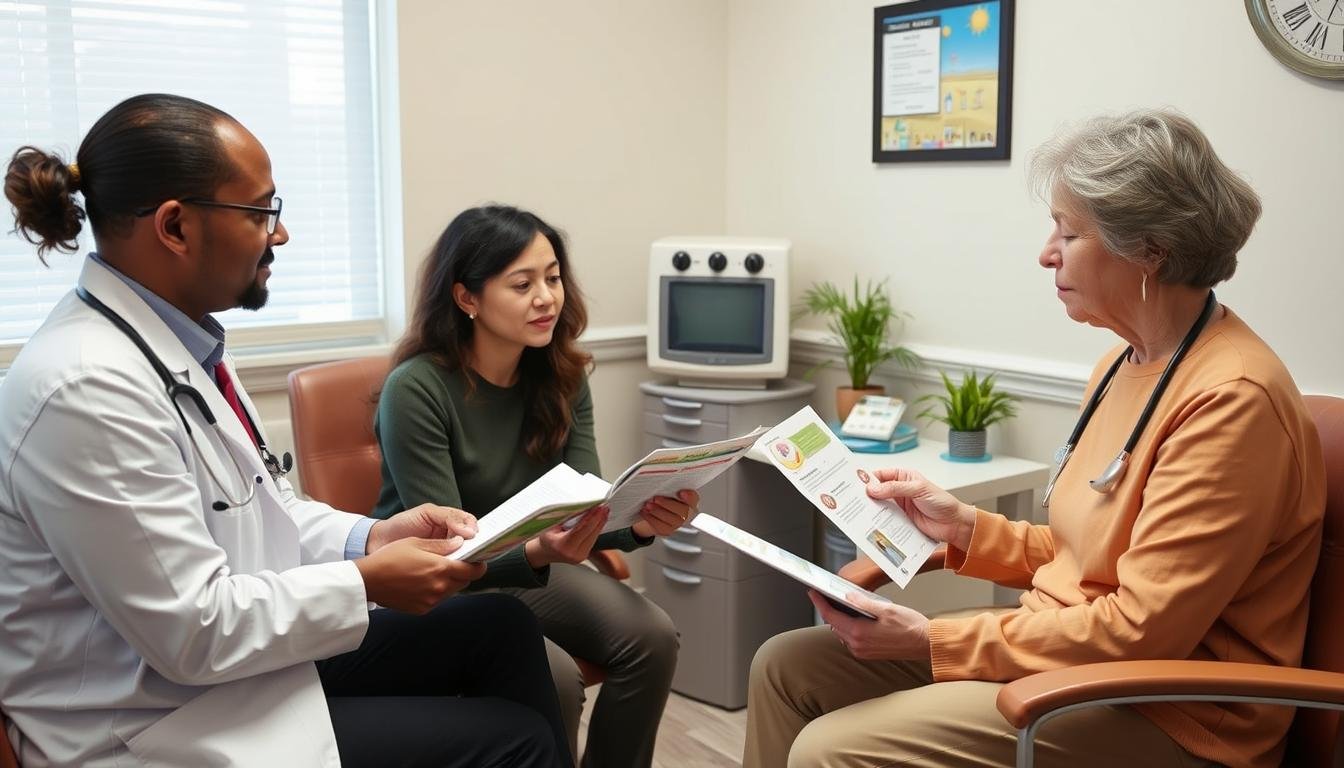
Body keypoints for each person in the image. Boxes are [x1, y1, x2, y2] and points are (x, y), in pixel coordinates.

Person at [0, 94, 570, 768]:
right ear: (176, 227)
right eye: (262, 212)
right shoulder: (86, 388)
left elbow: (267, 510)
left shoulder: (183, 344)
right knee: (514, 741)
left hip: (236, 670)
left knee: (500, 627)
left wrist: (374, 535)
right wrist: (366, 582)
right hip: (156, 723)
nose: (280, 235)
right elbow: (193, 631)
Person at [743, 109, 1326, 768]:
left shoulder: (1231, 401)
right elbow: (1090, 555)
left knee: (831, 750)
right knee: (786, 666)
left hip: (1169, 707)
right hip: (1070, 657)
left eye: (1068, 232)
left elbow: (1140, 628)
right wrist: (961, 528)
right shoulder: (1121, 366)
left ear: (1149, 249)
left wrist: (934, 640)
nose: (1046, 253)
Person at [372, 204, 691, 767]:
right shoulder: (416, 389)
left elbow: (587, 508)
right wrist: (543, 549)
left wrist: (638, 523)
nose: (546, 297)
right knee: (559, 678)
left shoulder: (563, 376)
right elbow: (450, 550)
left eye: (552, 277)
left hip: (530, 566)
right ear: (467, 298)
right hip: (444, 582)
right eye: (522, 284)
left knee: (654, 637)